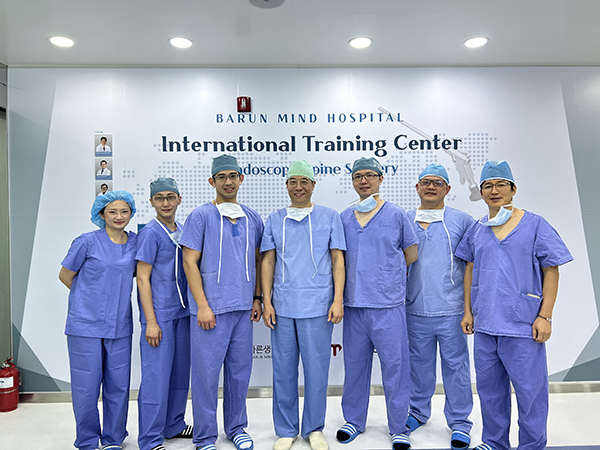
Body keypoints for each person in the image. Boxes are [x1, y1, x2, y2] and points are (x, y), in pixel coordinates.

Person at [455, 160, 573, 450]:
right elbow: (470, 267)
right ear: (481, 192)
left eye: (500, 185)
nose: (494, 191)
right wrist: (468, 311)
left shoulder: (534, 224)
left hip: (522, 324)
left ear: (513, 189)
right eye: (487, 186)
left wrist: (545, 316)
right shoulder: (477, 228)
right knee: (490, 390)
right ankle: (495, 442)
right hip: (485, 324)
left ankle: (532, 445)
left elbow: (551, 269)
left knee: (530, 392)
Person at [181, 155, 264, 450]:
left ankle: (236, 427)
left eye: (233, 176)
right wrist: (203, 305)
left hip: (242, 307)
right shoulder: (200, 216)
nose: (228, 182)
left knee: (239, 372)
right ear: (212, 181)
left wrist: (257, 297)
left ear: (241, 179)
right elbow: (189, 261)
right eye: (221, 177)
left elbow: (259, 261)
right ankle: (205, 436)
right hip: (211, 309)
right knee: (205, 376)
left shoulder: (252, 218)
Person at [261, 160, 346, 450]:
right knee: (283, 370)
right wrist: (267, 301)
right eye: (293, 181)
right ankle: (286, 429)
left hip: (318, 304)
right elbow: (268, 260)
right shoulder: (275, 219)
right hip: (283, 305)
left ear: (313, 185)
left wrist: (337, 299)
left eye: (304, 181)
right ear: (286, 185)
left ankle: (314, 428)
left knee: (316, 370)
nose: (298, 187)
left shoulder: (329, 217)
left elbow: (337, 260)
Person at [336, 157, 418, 450]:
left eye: (370, 175)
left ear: (380, 179)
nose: (364, 181)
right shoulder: (344, 217)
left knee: (396, 367)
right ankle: (353, 420)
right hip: (354, 304)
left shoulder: (396, 214)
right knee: (355, 366)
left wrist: (387, 274)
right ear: (352, 181)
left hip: (387, 305)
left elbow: (411, 252)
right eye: (358, 176)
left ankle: (398, 426)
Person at [58, 191, 137, 450]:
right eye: (112, 212)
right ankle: (88, 440)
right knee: (86, 387)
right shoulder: (87, 242)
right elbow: (65, 275)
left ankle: (113, 438)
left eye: (124, 211)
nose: (118, 216)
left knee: (119, 385)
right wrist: (89, 299)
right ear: (102, 214)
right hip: (85, 325)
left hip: (119, 325)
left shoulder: (135, 242)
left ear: (131, 213)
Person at [405, 164, 475, 449]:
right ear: (417, 188)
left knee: (456, 367)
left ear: (448, 188)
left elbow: (472, 266)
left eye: (437, 182)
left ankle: (460, 422)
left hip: (451, 310)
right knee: (418, 366)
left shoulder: (462, 221)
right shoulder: (405, 219)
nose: (431, 187)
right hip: (414, 309)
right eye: (426, 182)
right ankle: (417, 412)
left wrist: (469, 309)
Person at [136, 178, 192, 450]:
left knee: (180, 375)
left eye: (171, 197)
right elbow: (142, 278)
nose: (166, 203)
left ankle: (174, 424)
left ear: (179, 199)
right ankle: (150, 438)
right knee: (156, 379)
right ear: (151, 202)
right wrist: (151, 321)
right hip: (159, 316)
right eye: (159, 198)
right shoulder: (150, 233)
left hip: (182, 313)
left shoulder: (182, 230)